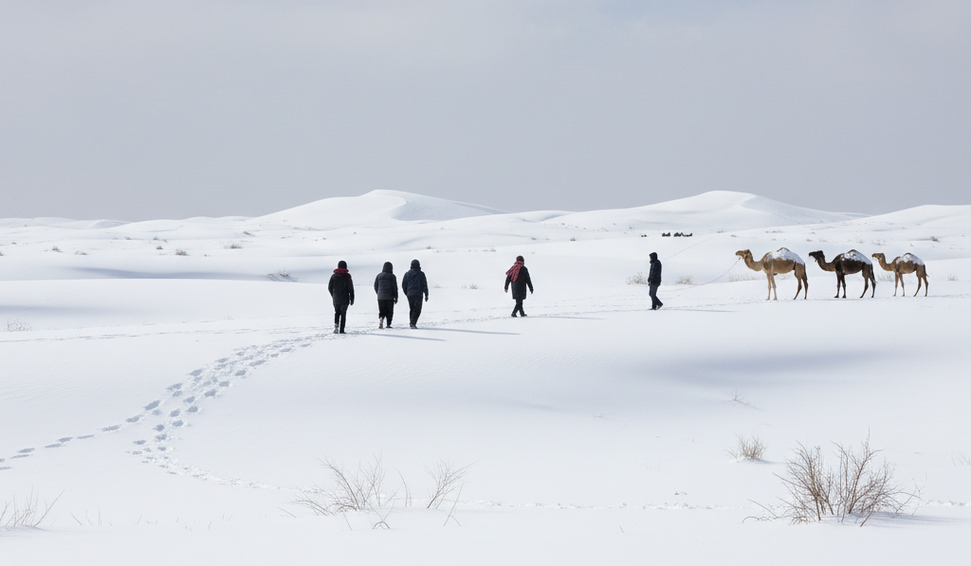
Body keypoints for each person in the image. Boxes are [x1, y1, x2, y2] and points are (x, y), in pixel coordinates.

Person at [328, 260, 355, 333]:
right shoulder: (347, 277)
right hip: (345, 298)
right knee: (343, 314)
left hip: (336, 298)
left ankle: (336, 326)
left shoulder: (333, 276)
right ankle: (342, 330)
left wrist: (333, 295)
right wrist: (352, 298)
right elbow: (351, 289)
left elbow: (330, 287)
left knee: (337, 312)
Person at [401, 259, 429, 328]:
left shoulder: (407, 274)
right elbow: (424, 284)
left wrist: (407, 292)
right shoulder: (421, 274)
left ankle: (412, 322)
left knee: (412, 308)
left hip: (410, 294)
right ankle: (413, 323)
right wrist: (426, 294)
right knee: (417, 309)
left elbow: (404, 284)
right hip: (419, 294)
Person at [373, 261, 398, 329]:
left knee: (382, 310)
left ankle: (381, 318)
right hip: (390, 297)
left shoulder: (379, 276)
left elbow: (375, 285)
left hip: (380, 297)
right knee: (390, 311)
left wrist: (378, 293)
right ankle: (388, 324)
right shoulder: (392, 276)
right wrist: (396, 296)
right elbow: (394, 287)